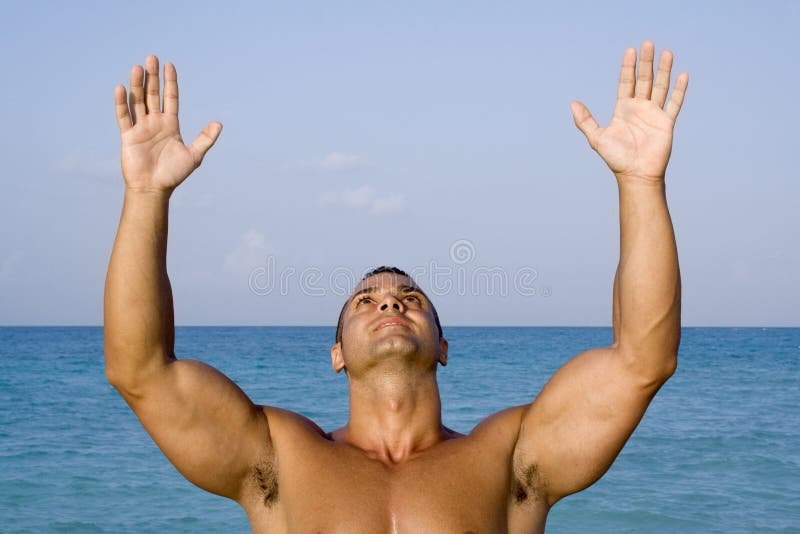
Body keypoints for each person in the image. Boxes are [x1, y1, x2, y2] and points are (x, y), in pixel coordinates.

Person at [104, 41, 687, 533]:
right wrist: (147, 196)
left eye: (411, 300)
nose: (388, 300)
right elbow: (140, 370)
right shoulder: (278, 457)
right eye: (366, 301)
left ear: (443, 346)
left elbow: (643, 359)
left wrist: (640, 181)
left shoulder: (510, 458)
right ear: (336, 355)